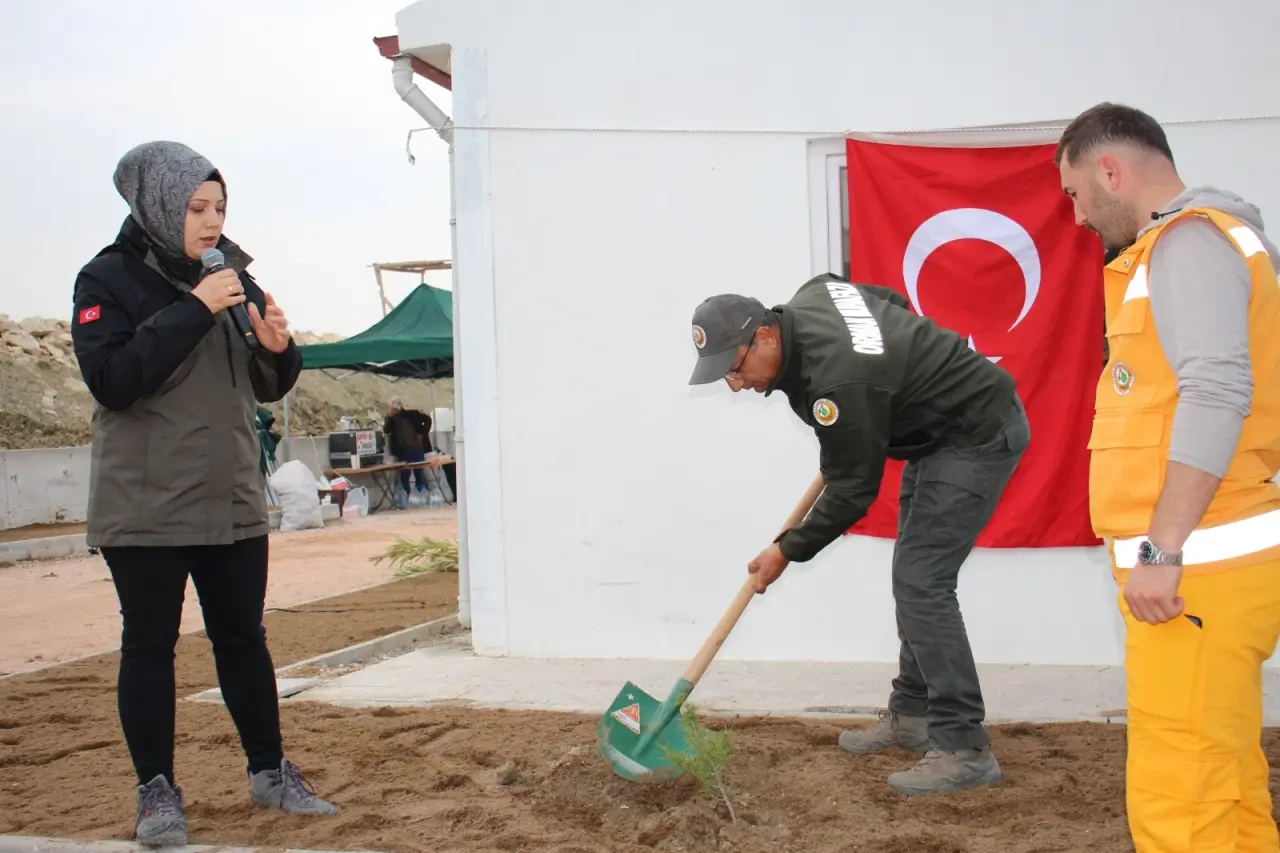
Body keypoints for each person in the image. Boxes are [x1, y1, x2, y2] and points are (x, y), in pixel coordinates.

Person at [70, 141, 339, 848]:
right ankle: (157, 792)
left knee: (243, 637)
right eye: (197, 207)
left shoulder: (233, 276)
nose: (212, 220)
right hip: (147, 503)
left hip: (229, 496)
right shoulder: (107, 280)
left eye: (219, 207)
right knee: (150, 644)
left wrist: (279, 349)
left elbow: (263, 385)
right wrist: (192, 307)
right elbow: (115, 380)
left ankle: (268, 771)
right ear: (158, 204)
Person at [687, 277, 1030, 796]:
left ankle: (963, 747)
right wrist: (895, 374)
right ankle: (913, 715)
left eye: (734, 368)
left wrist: (787, 550)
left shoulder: (838, 383)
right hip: (935, 432)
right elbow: (886, 302)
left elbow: (853, 490)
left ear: (765, 336)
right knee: (914, 578)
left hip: (975, 432)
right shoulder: (814, 295)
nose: (735, 384)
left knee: (923, 582)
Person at [1056, 103, 1280, 851]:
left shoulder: (1189, 244)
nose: (1078, 216)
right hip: (1208, 566)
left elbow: (1216, 391)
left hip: (1194, 572)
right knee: (1226, 782)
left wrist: (1161, 549)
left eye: (1076, 194)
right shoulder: (1201, 244)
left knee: (1180, 797)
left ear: (1110, 170)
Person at [384, 397, 432, 505]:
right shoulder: (391, 419)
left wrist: (422, 434)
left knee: (419, 474)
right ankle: (407, 498)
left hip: (416, 448)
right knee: (405, 476)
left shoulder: (412, 414)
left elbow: (428, 420)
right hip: (403, 451)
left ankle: (422, 498)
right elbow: (386, 430)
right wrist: (389, 417)